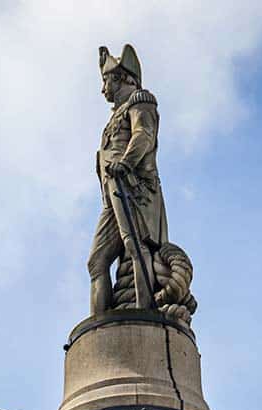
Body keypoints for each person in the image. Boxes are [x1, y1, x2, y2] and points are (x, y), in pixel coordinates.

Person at [86, 44, 169, 316]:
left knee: (135, 245)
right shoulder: (114, 117)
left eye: (106, 80)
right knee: (97, 262)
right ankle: (100, 323)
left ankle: (144, 312)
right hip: (112, 193)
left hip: (132, 186)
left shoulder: (140, 100)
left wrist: (126, 163)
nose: (103, 89)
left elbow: (143, 134)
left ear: (122, 77)